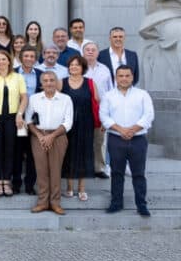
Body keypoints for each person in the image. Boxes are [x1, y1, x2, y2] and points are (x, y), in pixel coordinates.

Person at [100, 65, 154, 217]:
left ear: (132, 77)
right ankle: (116, 203)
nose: (124, 78)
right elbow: (104, 116)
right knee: (117, 173)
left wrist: (133, 129)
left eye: (127, 76)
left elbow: (148, 115)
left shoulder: (142, 94)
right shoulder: (108, 96)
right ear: (116, 78)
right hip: (116, 139)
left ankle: (142, 205)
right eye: (121, 76)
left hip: (138, 139)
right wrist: (121, 129)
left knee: (139, 174)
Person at [25, 71, 73, 215]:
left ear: (56, 82)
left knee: (55, 170)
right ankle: (42, 202)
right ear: (41, 83)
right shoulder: (34, 99)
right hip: (38, 137)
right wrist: (40, 136)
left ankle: (55, 203)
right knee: (41, 171)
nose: (49, 83)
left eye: (52, 80)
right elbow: (29, 120)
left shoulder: (65, 99)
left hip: (58, 136)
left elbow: (68, 122)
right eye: (45, 80)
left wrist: (52, 136)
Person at [0, 50, 28, 197]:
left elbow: (24, 98)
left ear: (9, 61)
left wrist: (20, 114)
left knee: (10, 150)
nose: (1, 62)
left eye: (4, 59)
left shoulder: (18, 77)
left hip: (12, 118)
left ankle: (7, 181)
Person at [61, 55, 97, 202]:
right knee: (68, 154)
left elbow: (96, 101)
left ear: (83, 67)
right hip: (67, 124)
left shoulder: (89, 82)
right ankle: (69, 187)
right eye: (71, 65)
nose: (73, 67)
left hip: (85, 123)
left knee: (84, 154)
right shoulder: (61, 82)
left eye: (77, 65)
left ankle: (82, 188)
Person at [14, 45, 43, 195]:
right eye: (26, 56)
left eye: (32, 56)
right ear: (20, 58)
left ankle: (30, 185)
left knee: (33, 153)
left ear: (35, 59)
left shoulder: (41, 74)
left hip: (35, 119)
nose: (29, 59)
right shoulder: (12, 74)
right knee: (17, 152)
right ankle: (16, 184)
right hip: (18, 118)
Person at [83, 41, 113, 179]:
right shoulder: (78, 67)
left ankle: (99, 168)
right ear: (83, 53)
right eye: (87, 49)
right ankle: (84, 167)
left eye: (93, 49)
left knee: (100, 139)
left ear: (97, 53)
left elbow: (110, 91)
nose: (90, 52)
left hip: (100, 109)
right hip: (83, 108)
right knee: (83, 140)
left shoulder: (105, 69)